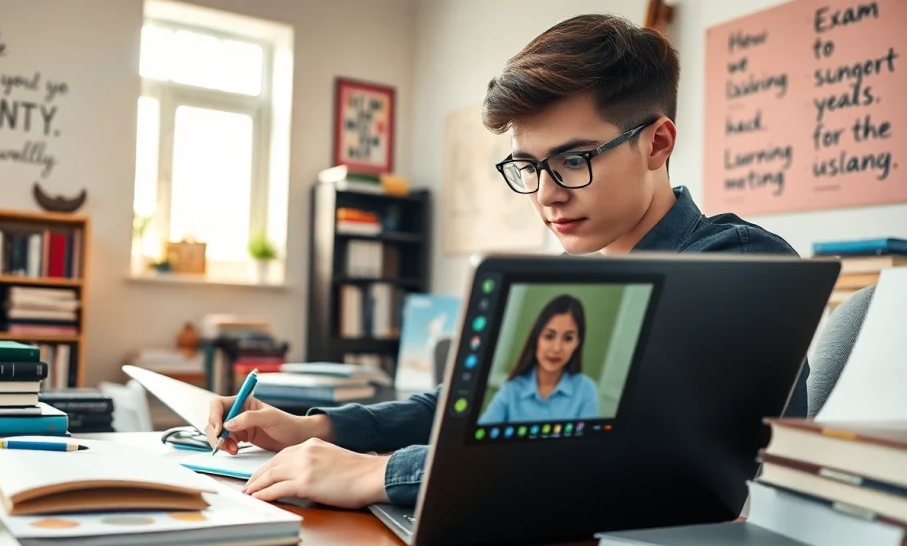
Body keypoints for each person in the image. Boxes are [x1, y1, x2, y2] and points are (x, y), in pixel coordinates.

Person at [206, 13, 809, 511]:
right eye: (529, 166)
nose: (546, 193)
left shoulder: (741, 264)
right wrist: (323, 429)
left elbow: (612, 450)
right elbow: (464, 405)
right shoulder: (582, 279)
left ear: (657, 142)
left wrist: (379, 473)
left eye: (574, 159)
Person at [477, 295, 598, 424]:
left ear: (577, 343)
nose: (557, 348)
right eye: (549, 336)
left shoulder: (586, 390)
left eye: (568, 338)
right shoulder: (511, 391)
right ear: (537, 338)